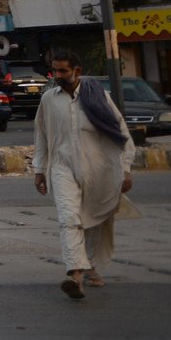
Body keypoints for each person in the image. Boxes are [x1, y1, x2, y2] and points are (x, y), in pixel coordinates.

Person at [33, 50, 135, 300]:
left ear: (77, 71)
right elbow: (41, 136)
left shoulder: (98, 96)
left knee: (95, 220)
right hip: (61, 167)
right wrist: (39, 169)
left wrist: (126, 168)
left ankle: (92, 267)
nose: (58, 75)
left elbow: (119, 131)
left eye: (63, 71)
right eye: (54, 71)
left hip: (98, 168)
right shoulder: (49, 99)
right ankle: (75, 274)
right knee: (69, 218)